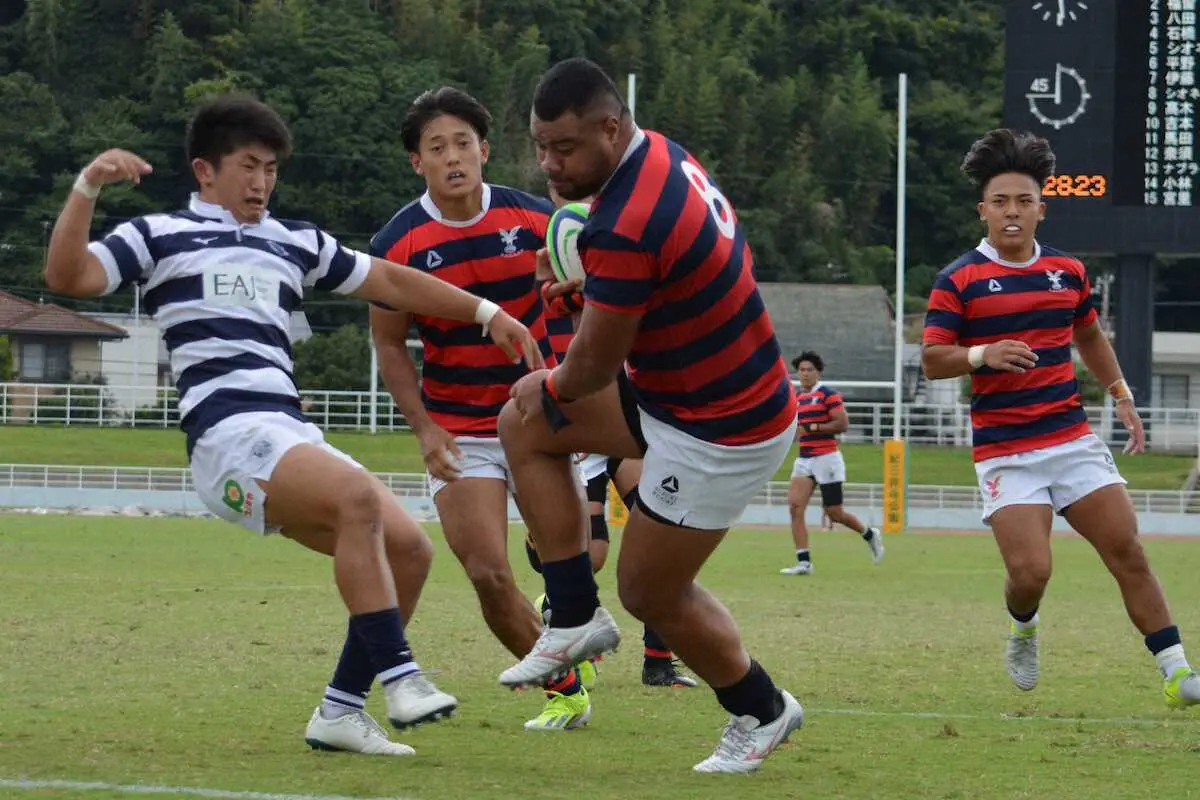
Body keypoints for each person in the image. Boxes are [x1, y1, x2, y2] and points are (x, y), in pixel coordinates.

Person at [43, 94, 546, 756]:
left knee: (409, 550)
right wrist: (87, 187)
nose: (262, 182)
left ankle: (340, 711)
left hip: (288, 434)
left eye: (271, 168)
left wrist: (487, 313)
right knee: (359, 497)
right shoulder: (157, 235)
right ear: (205, 171)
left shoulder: (292, 241)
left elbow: (392, 282)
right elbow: (68, 274)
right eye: (248, 166)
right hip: (226, 437)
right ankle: (402, 678)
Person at [497, 58, 805, 773]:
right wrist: (601, 297)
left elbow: (589, 370)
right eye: (540, 146)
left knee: (648, 591)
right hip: (682, 392)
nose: (549, 165)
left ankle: (762, 710)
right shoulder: (660, 151)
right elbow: (664, 281)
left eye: (564, 148)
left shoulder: (624, 222)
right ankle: (574, 614)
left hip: (720, 426)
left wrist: (552, 374)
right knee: (523, 424)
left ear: (610, 128)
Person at [922, 128, 1200, 708]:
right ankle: (1023, 627)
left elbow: (1089, 334)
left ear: (1041, 210)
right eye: (1000, 201)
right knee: (1032, 574)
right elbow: (931, 360)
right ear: (982, 210)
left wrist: (1120, 394)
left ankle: (1178, 673)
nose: (1012, 211)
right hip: (1006, 451)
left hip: (1071, 440)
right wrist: (982, 354)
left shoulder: (1067, 271)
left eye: (1024, 201)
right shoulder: (958, 279)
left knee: (1128, 550)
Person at [368, 87, 592, 732]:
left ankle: (568, 620)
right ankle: (566, 689)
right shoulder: (397, 242)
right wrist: (424, 427)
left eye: (463, 143)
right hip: (460, 428)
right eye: (437, 147)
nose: (453, 157)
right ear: (417, 162)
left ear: (485, 150)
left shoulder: (536, 220)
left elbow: (585, 297)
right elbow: (390, 345)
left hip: (538, 421)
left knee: (571, 561)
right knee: (489, 574)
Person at [535, 297, 697, 688]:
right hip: (581, 442)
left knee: (662, 543)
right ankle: (557, 608)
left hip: (622, 440)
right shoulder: (550, 308)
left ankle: (658, 663)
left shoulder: (622, 300)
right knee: (593, 556)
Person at [780, 351, 884, 575]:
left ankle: (869, 534)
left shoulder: (828, 395)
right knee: (795, 508)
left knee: (834, 513)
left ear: (818, 372)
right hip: (805, 458)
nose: (805, 374)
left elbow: (842, 424)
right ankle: (804, 563)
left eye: (809, 370)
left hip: (826, 458)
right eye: (801, 370)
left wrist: (814, 427)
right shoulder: (797, 398)